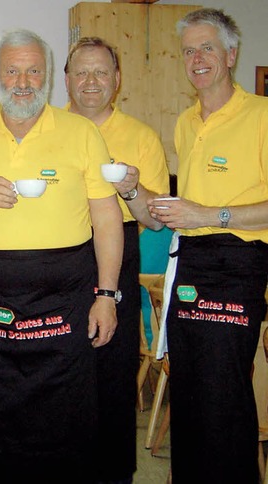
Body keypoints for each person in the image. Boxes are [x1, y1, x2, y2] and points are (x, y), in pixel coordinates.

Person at [0, 28, 124, 483]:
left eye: (33, 71)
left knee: (68, 414)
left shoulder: (80, 131)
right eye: (13, 71)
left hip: (66, 296)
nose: (23, 82)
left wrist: (106, 294)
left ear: (48, 76)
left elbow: (107, 218)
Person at [148, 8, 268, 482]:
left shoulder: (261, 115)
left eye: (207, 48)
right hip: (191, 263)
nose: (197, 58)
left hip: (238, 261)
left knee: (224, 391)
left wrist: (209, 215)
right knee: (191, 390)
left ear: (231, 54)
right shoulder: (184, 122)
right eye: (189, 50)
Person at [64, 37, 169, 483]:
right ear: (66, 80)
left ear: (117, 80)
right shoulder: (47, 128)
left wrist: (130, 187)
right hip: (60, 252)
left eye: (101, 72)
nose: (91, 81)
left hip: (119, 251)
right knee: (61, 367)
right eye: (81, 72)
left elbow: (157, 221)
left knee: (113, 368)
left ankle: (113, 474)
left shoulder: (141, 136)